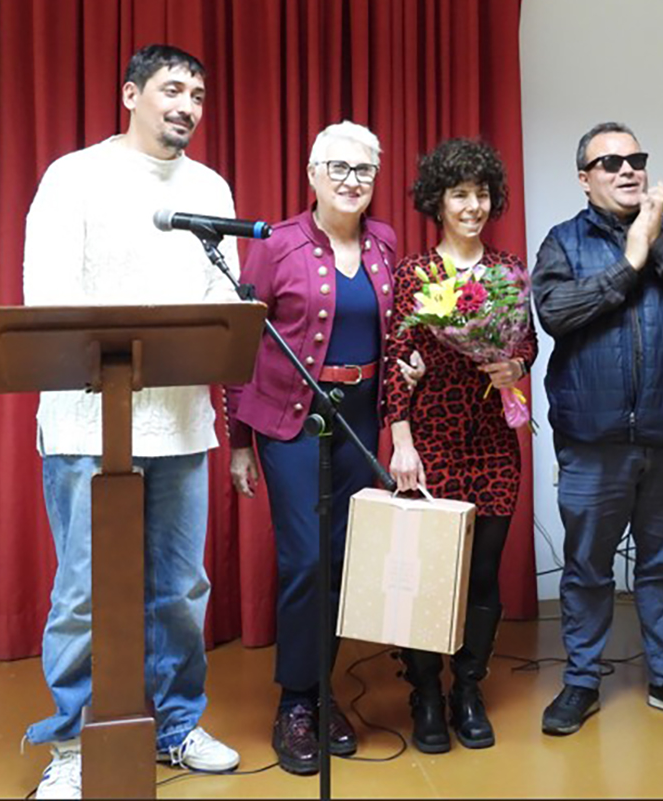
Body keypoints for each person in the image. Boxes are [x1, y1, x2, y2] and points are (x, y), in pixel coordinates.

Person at [22, 44, 241, 799]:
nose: (187, 106)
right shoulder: (73, 176)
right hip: (87, 422)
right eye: (172, 89)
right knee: (82, 593)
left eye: (198, 95)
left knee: (180, 588)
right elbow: (47, 297)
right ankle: (71, 742)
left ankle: (177, 725)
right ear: (130, 95)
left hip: (179, 421)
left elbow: (221, 302)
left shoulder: (209, 186)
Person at [225, 121, 420, 772]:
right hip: (290, 421)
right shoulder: (277, 245)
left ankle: (321, 691)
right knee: (307, 560)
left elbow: (396, 334)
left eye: (363, 170)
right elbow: (239, 344)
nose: (350, 180)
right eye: (338, 167)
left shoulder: (386, 242)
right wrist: (240, 442)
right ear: (311, 175)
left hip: (360, 423)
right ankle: (295, 703)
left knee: (341, 560)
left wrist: (408, 381)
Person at [532, 122, 663, 736]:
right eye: (610, 162)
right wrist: (630, 262)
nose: (627, 170)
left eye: (635, 159)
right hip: (593, 441)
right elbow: (556, 312)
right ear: (584, 178)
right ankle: (581, 682)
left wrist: (657, 239)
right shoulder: (563, 242)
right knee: (587, 568)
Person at [385, 137, 538, 753]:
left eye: (482, 194)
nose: (473, 206)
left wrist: (515, 367)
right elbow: (397, 361)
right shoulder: (415, 274)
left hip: (494, 440)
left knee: (482, 572)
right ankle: (424, 691)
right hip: (432, 439)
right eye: (459, 195)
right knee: (427, 573)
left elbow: (528, 343)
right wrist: (402, 444)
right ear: (438, 202)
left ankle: (467, 687)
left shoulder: (510, 272)